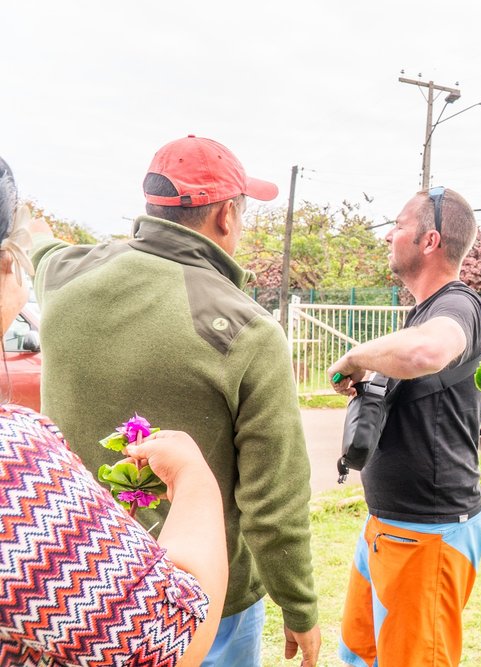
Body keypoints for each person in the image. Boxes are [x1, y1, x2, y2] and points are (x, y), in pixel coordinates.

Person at [28, 136, 321, 667]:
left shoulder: (64, 277)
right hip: (201, 606)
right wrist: (299, 608)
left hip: (73, 595)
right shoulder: (248, 331)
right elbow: (273, 505)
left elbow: (40, 250)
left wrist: (29, 226)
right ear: (227, 217)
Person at [0, 155, 227, 666]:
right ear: (227, 217)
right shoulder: (12, 462)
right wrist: (193, 477)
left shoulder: (64, 276)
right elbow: (170, 637)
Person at [328, 187, 481, 667]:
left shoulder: (460, 307)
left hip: (429, 537)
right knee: (359, 656)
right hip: (386, 526)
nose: (387, 236)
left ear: (429, 241)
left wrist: (355, 356)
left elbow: (427, 353)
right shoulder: (420, 314)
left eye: (397, 225)